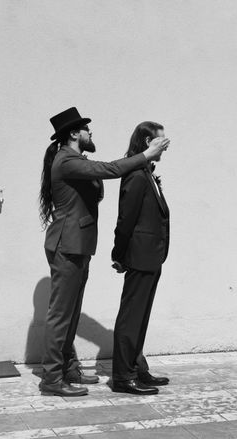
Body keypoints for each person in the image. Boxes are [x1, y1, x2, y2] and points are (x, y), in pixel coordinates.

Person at [39, 107, 169, 397]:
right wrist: (145, 155)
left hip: (78, 245)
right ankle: (51, 378)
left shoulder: (75, 160)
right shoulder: (66, 160)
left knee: (70, 314)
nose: (91, 132)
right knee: (61, 315)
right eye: (86, 128)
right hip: (67, 245)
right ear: (74, 133)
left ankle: (67, 368)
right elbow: (109, 170)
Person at [110, 121, 171, 395]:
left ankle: (137, 368)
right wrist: (119, 253)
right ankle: (123, 377)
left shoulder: (146, 173)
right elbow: (126, 219)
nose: (165, 147)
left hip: (151, 256)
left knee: (141, 316)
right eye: (161, 141)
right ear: (148, 141)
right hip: (139, 255)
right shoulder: (135, 175)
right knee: (131, 317)